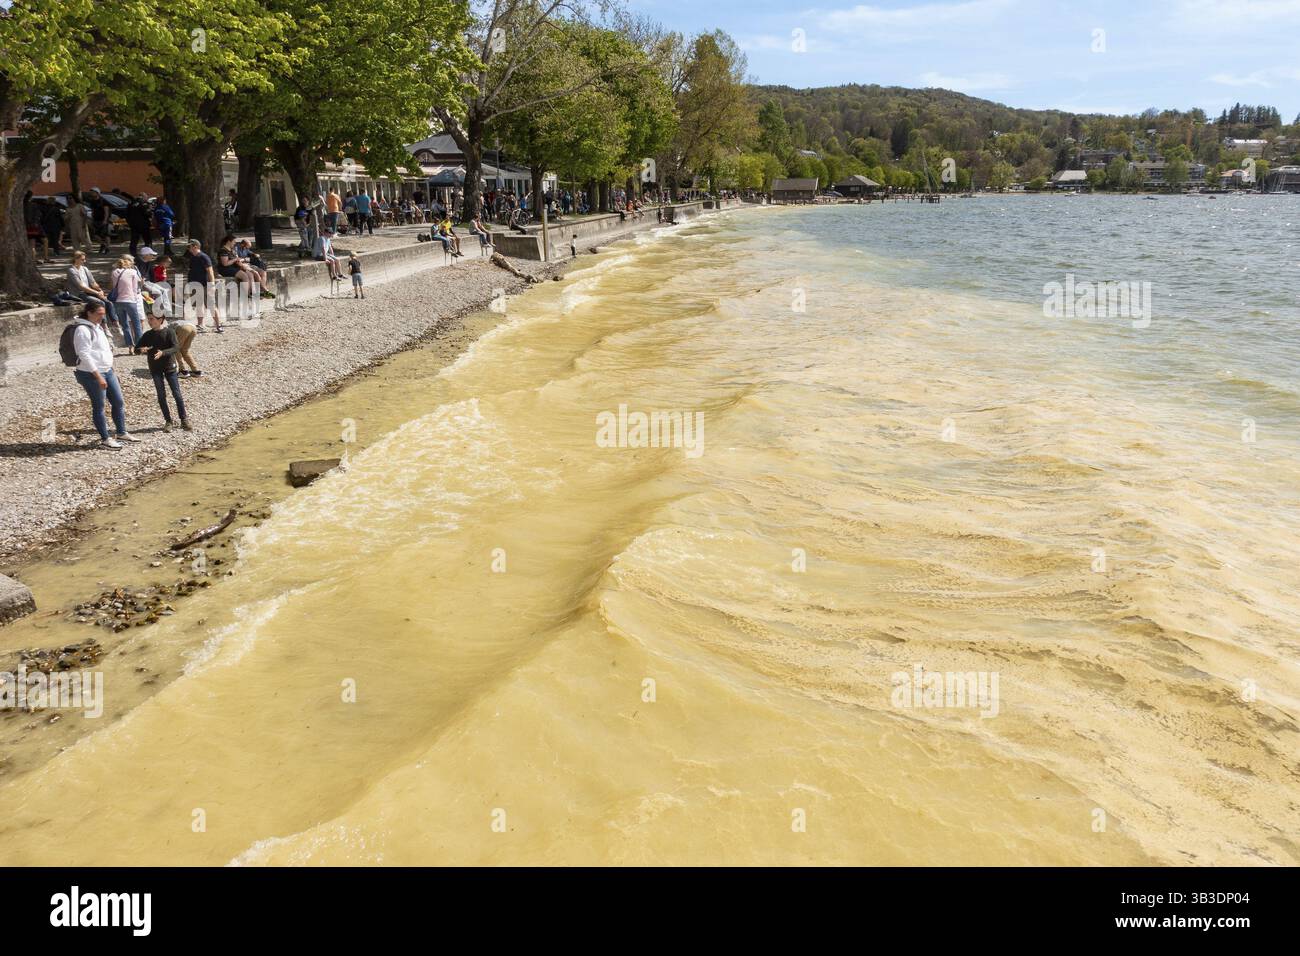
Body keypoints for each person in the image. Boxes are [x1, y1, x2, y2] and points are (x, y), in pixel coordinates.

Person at [70, 301, 140, 449]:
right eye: (99, 314)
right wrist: (98, 376)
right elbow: (83, 354)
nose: (102, 317)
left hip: (107, 370)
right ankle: (105, 439)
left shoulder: (98, 327)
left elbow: (104, 351)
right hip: (90, 373)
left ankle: (121, 432)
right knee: (99, 406)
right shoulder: (82, 330)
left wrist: (111, 369)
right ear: (89, 312)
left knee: (118, 401)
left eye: (103, 314)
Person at [134, 313, 191, 431]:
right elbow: (136, 349)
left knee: (177, 394)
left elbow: (175, 347)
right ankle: (168, 421)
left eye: (152, 319)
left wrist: (163, 353)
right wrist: (141, 350)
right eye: (148, 319)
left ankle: (184, 419)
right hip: (155, 369)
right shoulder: (147, 335)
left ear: (161, 320)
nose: (149, 321)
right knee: (161, 395)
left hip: (169, 367)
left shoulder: (169, 332)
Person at [66, 251, 118, 329]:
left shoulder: (85, 269)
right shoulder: (71, 270)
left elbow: (93, 282)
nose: (84, 261)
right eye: (82, 260)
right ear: (76, 259)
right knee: (100, 303)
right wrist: (96, 293)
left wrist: (100, 290)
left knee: (108, 302)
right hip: (79, 293)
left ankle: (116, 324)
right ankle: (104, 325)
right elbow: (81, 286)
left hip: (89, 291)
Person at [108, 255, 145, 350]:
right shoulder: (132, 272)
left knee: (125, 325)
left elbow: (113, 286)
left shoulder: (114, 272)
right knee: (136, 324)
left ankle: (130, 346)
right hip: (130, 300)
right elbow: (135, 289)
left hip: (118, 302)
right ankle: (140, 346)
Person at [186, 239, 222, 332]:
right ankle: (200, 324)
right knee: (198, 305)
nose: (188, 248)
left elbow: (210, 271)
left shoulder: (203, 257)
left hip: (205, 284)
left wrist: (212, 285)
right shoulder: (192, 257)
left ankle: (218, 325)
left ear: (195, 246)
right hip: (195, 284)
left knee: (211, 305)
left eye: (189, 246)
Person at [137, 247, 173, 318]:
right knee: (157, 293)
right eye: (151, 255)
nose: (152, 256)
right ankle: (158, 311)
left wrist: (154, 284)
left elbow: (152, 274)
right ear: (146, 255)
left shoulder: (149, 263)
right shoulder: (138, 263)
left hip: (149, 282)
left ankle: (167, 311)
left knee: (164, 291)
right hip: (141, 284)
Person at [89, 188, 111, 254]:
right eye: (91, 192)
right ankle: (104, 245)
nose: (91, 193)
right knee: (96, 235)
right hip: (96, 220)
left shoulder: (103, 201)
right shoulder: (92, 201)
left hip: (103, 220)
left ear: (97, 193)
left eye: (93, 192)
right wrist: (92, 219)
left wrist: (105, 220)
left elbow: (106, 211)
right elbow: (93, 211)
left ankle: (107, 248)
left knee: (106, 235)